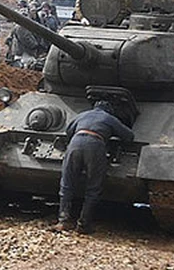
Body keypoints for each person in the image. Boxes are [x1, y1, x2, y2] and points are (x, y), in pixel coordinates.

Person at [50, 98, 135, 235]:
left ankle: (63, 221)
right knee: (93, 187)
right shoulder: (109, 118)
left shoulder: (82, 114)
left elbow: (68, 131)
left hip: (75, 143)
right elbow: (129, 136)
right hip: (95, 145)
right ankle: (83, 225)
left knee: (67, 184)